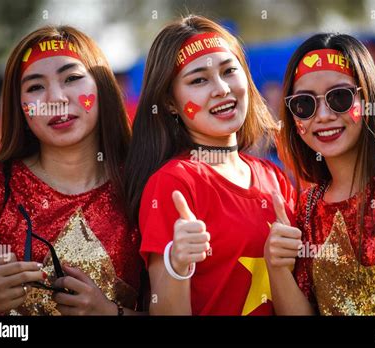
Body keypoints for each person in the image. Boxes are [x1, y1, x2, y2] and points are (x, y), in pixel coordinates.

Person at [125, 15, 297, 315]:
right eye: (199, 80)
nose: (221, 89)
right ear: (169, 102)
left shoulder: (275, 177)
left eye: (229, 71)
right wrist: (177, 264)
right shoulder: (172, 184)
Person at [266, 33, 375, 315]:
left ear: (368, 98)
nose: (323, 115)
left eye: (340, 97)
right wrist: (276, 266)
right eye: (305, 104)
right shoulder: (307, 208)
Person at [0, 25, 144, 315]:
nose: (55, 98)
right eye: (35, 86)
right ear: (20, 107)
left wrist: (109, 313)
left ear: (102, 87)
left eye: (72, 78)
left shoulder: (146, 187)